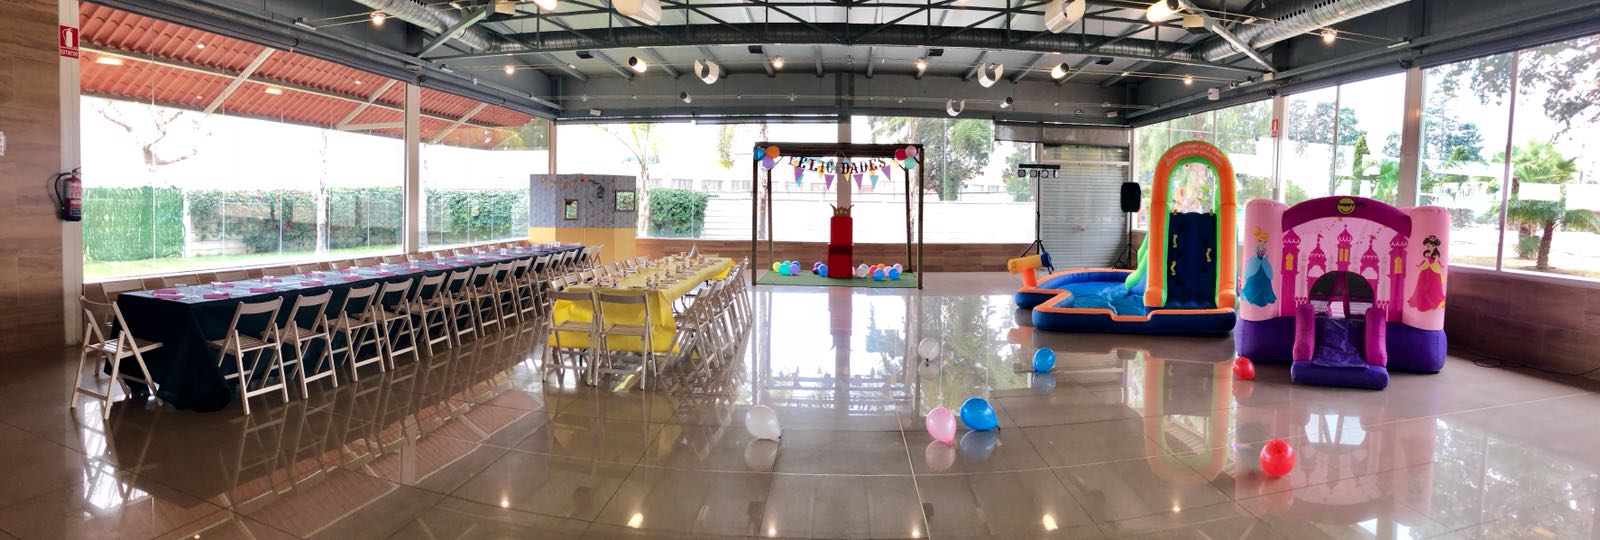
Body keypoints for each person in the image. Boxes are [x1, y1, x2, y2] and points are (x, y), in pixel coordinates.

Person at [1407, 235, 1445, 312]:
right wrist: (1421, 265)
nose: (1427, 247)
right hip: (1426, 270)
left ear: (1434, 245)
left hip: (1433, 271)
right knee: (1422, 285)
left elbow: (1437, 262)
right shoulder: (1427, 253)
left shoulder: (1436, 254)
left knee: (1433, 287)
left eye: (1429, 246)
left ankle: (1434, 301)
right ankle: (1423, 302)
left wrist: (1435, 264)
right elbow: (1425, 261)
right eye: (1427, 246)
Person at [1241, 227, 1277, 307]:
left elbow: (1264, 255)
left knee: (1265, 280)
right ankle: (1252, 295)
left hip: (1263, 264)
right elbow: (1256, 254)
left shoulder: (1264, 249)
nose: (1262, 243)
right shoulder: (1256, 248)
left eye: (1264, 241)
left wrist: (1265, 258)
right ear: (1257, 241)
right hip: (1256, 263)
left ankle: (1264, 296)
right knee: (1253, 278)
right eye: (1260, 241)